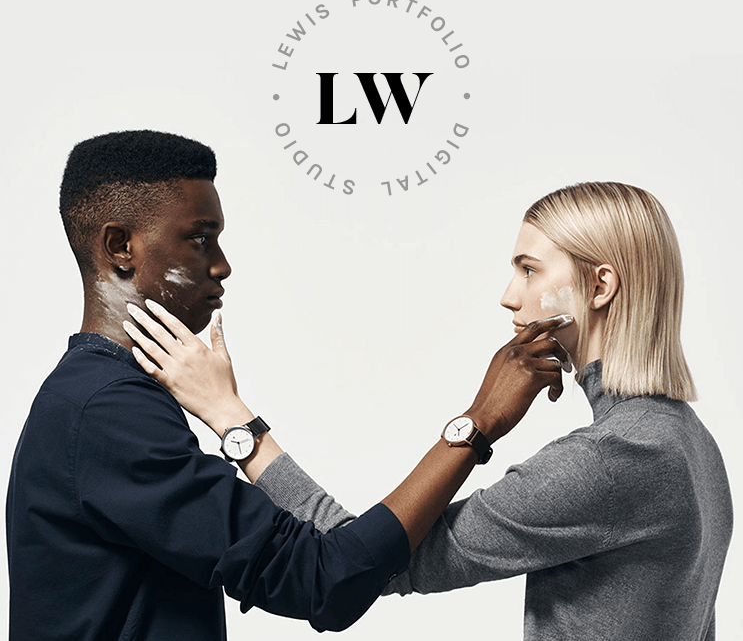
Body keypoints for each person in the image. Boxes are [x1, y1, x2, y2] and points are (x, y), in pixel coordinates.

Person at [6, 130, 572, 641]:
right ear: (119, 247)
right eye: (200, 239)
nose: (222, 265)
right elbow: (324, 580)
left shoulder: (103, 396)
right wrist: (477, 422)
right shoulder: (106, 412)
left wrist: (232, 417)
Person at [132, 181, 733, 641]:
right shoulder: (688, 441)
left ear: (599, 287)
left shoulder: (613, 459)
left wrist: (231, 417)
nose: (509, 296)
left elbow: (363, 562)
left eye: (529, 270)